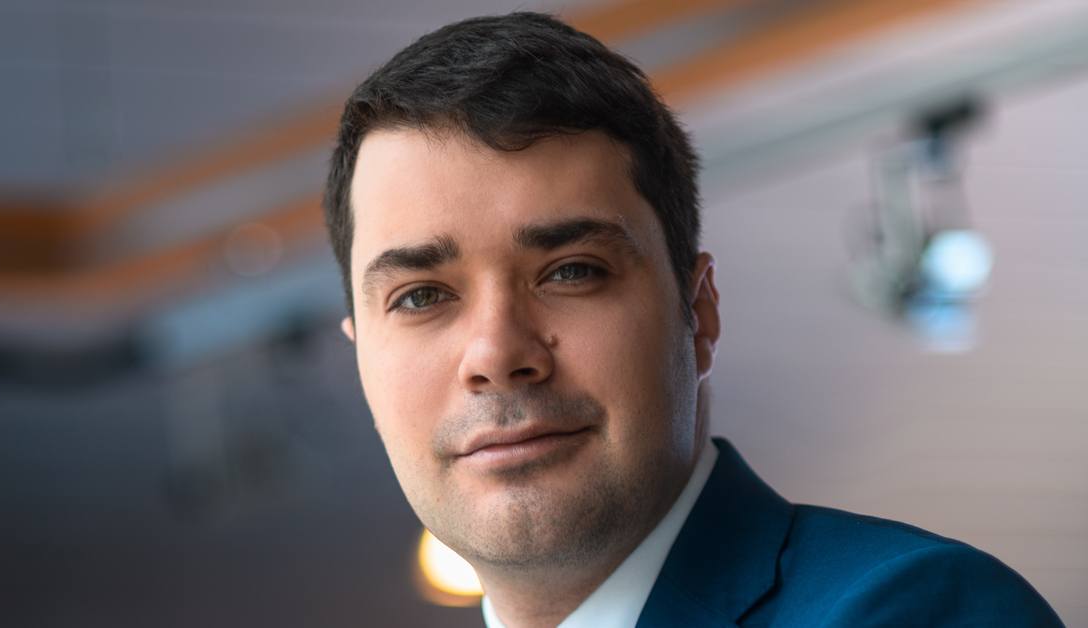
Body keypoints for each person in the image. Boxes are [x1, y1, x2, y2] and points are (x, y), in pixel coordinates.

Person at [321, 12, 1063, 628]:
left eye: (572, 271)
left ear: (699, 312)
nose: (495, 353)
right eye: (420, 296)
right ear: (360, 361)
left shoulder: (914, 611)